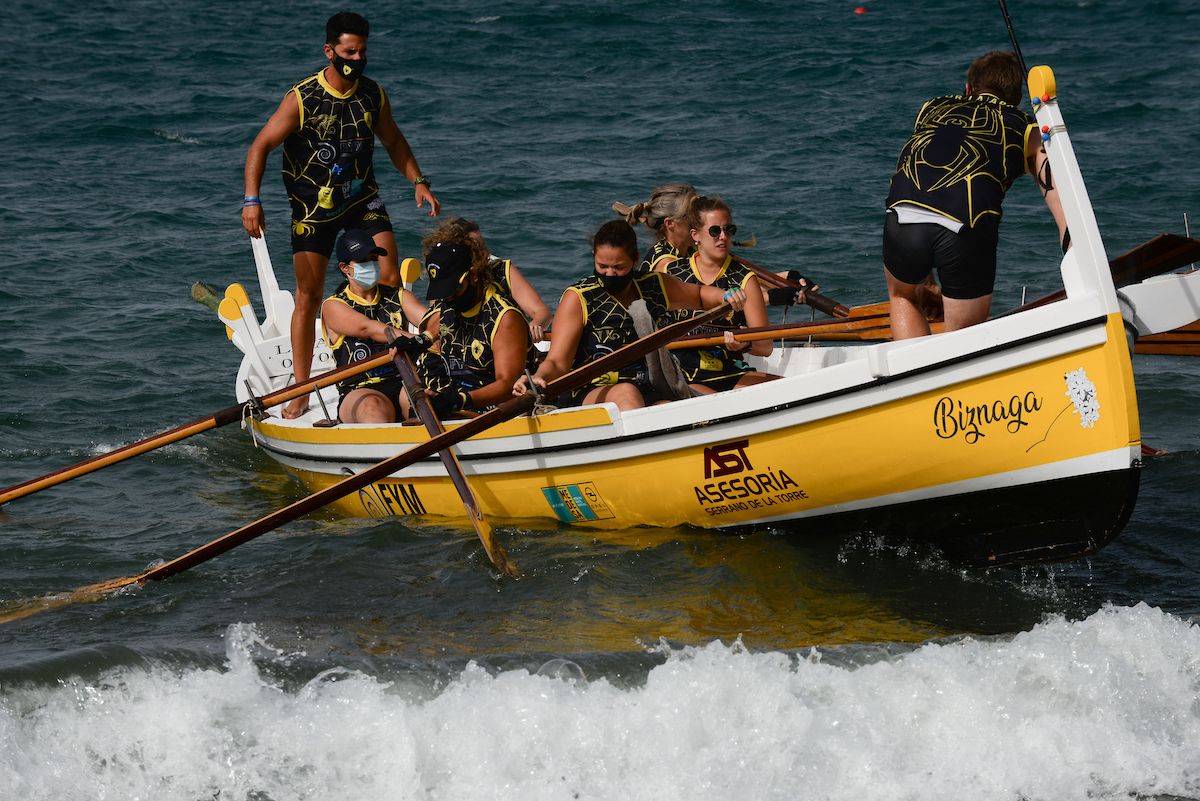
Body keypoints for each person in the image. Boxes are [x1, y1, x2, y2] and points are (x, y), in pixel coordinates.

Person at [241, 11, 441, 419]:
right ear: (330, 51)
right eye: (349, 52)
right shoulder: (302, 98)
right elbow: (260, 146)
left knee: (388, 279)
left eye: (363, 52)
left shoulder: (372, 94)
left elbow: (393, 138)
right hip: (313, 211)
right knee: (309, 297)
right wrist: (251, 199)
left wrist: (418, 180)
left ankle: (390, 358)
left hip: (362, 198)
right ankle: (300, 388)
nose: (357, 59)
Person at [883, 50, 1068, 340]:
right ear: (1017, 98)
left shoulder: (930, 108)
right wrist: (1078, 260)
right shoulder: (1026, 130)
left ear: (968, 88)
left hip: (902, 218)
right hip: (965, 227)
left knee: (904, 297)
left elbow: (922, 177)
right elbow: (1062, 206)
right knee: (963, 337)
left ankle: (917, 378)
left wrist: (925, 281)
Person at [513, 220, 747, 411]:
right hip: (592, 390)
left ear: (635, 260)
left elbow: (699, 295)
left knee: (705, 404)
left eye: (619, 267)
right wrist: (540, 377)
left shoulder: (654, 286)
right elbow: (557, 361)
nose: (610, 274)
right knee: (627, 393)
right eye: (602, 266)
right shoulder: (579, 298)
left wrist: (726, 296)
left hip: (651, 385)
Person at [616, 182, 818, 308]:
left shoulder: (692, 250)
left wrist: (787, 278)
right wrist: (772, 297)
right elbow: (708, 301)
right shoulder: (667, 266)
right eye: (693, 216)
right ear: (670, 224)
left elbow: (738, 279)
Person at [659, 196, 779, 394]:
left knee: (781, 390)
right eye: (715, 231)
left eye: (728, 230)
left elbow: (765, 346)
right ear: (695, 235)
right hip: (684, 374)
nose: (723, 237)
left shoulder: (745, 279)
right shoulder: (671, 273)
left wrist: (744, 345)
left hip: (729, 370)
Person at [416, 232, 536, 419]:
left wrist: (461, 400)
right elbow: (431, 327)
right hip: (459, 389)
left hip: (495, 404)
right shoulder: (449, 302)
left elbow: (507, 384)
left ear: (472, 275)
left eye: (453, 290)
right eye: (443, 292)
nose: (448, 298)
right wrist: (420, 340)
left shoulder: (505, 318)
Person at [320, 230, 430, 423]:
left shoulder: (399, 296)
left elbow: (430, 322)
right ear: (345, 268)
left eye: (373, 258)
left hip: (404, 381)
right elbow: (367, 328)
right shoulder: (333, 306)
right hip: (358, 388)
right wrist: (418, 340)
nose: (371, 264)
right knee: (373, 407)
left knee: (423, 402)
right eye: (363, 260)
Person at [424, 217, 553, 343]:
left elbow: (542, 312)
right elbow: (437, 321)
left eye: (482, 245)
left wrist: (536, 325)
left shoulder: (502, 270)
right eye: (475, 247)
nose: (484, 252)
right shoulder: (445, 278)